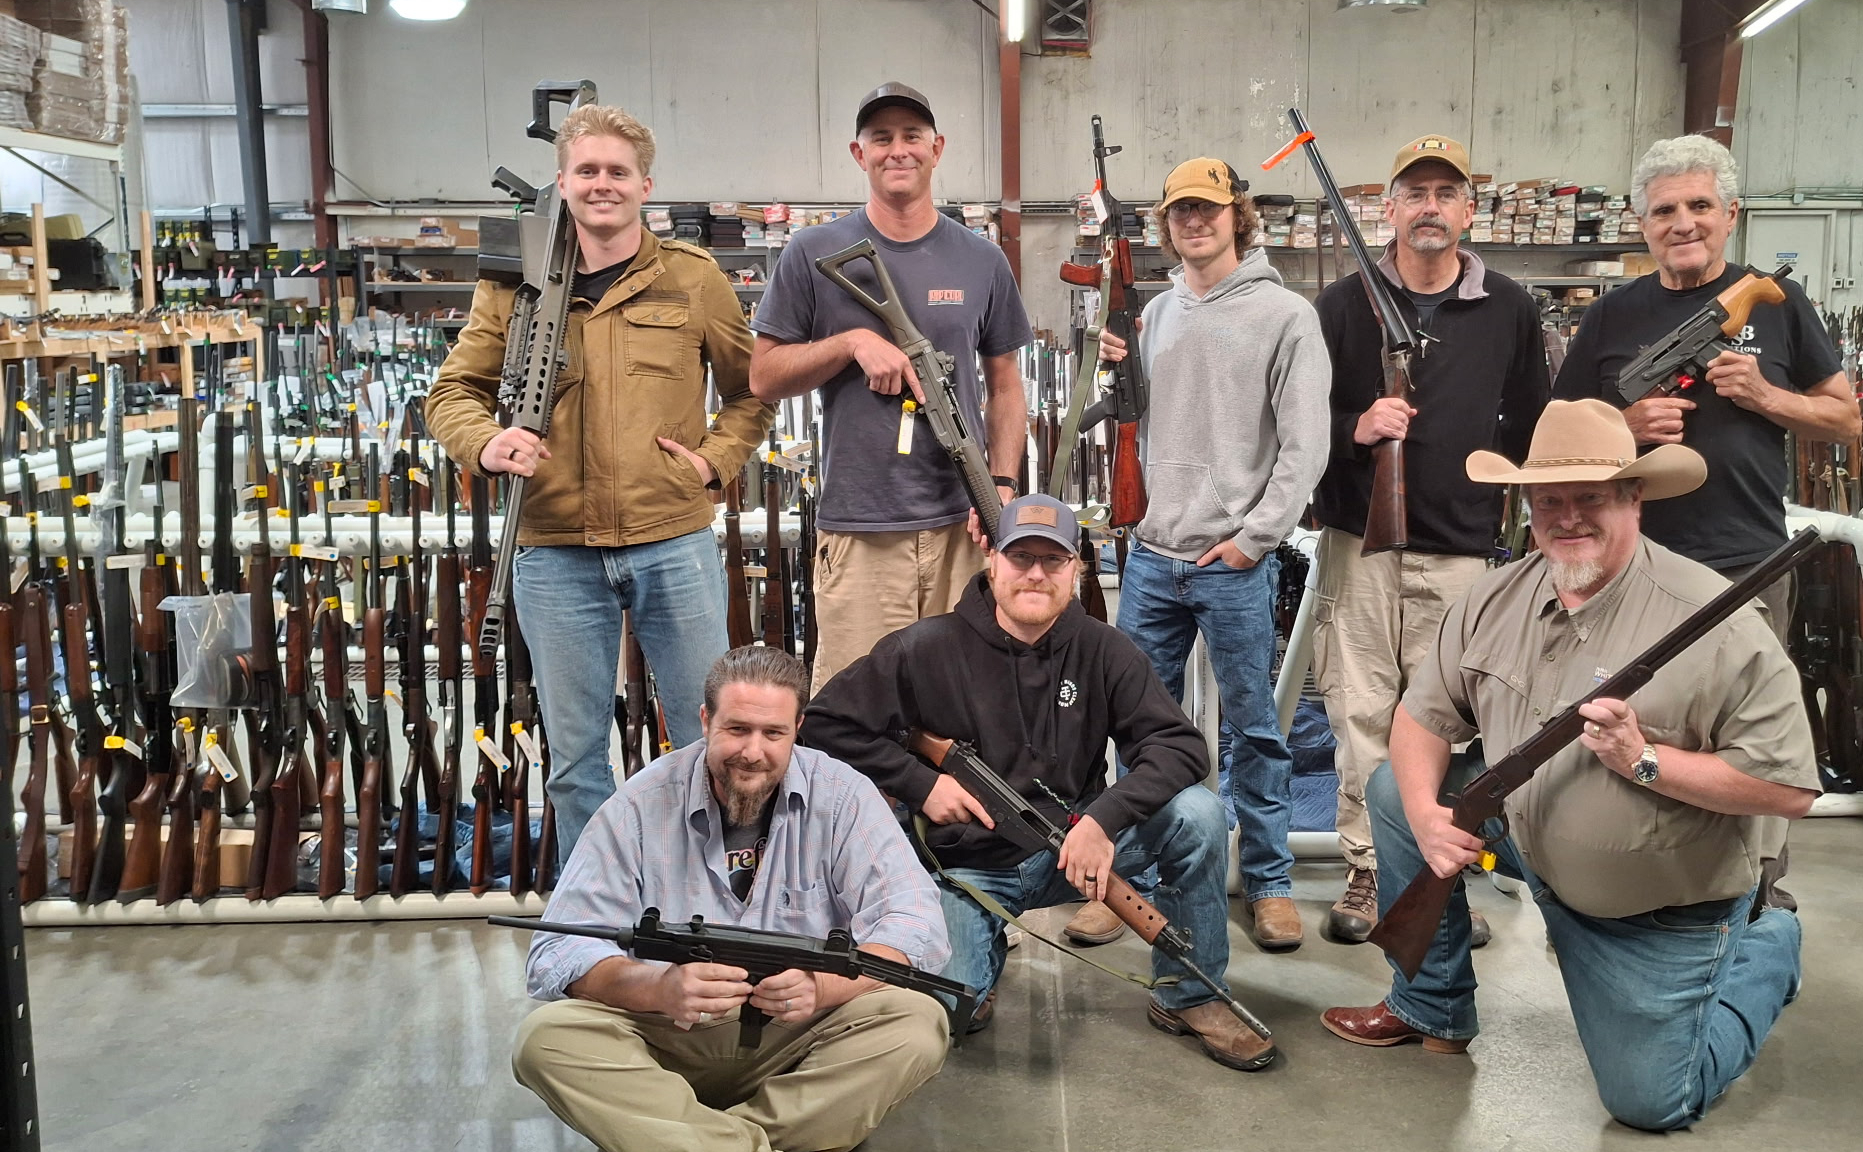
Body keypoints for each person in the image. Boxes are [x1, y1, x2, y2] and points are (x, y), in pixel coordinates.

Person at [1319, 400, 1818, 1132]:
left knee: (1652, 1103)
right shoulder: (1494, 596)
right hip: (1530, 848)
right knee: (1399, 791)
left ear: (1633, 497)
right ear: (1527, 506)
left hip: (1654, 910)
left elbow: (1788, 790)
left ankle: (1770, 943)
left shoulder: (1717, 620)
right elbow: (1420, 719)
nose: (1568, 517)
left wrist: (1645, 761)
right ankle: (1430, 1006)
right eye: (1549, 500)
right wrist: (1429, 820)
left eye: (1591, 497)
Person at [803, 495, 1276, 1071]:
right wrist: (919, 784)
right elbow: (825, 723)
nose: (1035, 574)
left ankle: (1192, 993)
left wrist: (1103, 820)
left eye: (1053, 561)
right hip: (969, 866)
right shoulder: (923, 648)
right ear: (991, 562)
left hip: (1071, 851)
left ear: (1076, 568)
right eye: (1020, 557)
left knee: (1198, 815)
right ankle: (982, 946)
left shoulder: (1105, 650)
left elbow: (1180, 747)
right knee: (949, 1010)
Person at [426, 103, 770, 863]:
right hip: (553, 549)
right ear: (562, 183)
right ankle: (600, 915)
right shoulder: (512, 285)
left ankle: (713, 888)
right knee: (577, 760)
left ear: (645, 184)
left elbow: (753, 390)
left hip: (671, 540)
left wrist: (716, 460)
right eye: (588, 171)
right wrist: (486, 444)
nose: (603, 184)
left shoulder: (691, 277)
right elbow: (450, 394)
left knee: (707, 735)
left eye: (618, 171)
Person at [1550, 133, 1856, 897]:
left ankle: (1757, 884)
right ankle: (1637, 876)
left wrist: (1766, 397)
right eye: (1663, 211)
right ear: (1641, 223)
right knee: (1633, 721)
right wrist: (1627, 427)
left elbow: (1845, 420)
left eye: (1698, 206)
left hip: (1745, 555)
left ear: (1730, 214)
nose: (1682, 223)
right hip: (1630, 561)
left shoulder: (1777, 305)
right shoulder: (1613, 313)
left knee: (1753, 731)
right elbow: (1553, 436)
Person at [511, 646, 952, 1152]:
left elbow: (915, 924)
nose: (753, 751)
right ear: (705, 720)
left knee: (917, 1024)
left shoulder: (844, 794)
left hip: (797, 1037)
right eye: (737, 729)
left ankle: (694, 1141)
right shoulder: (638, 803)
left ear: (798, 728)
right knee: (544, 1040)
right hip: (668, 1034)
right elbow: (559, 952)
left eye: (774, 733)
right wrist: (658, 988)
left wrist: (822, 987)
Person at [1070, 156, 1330, 953]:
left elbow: (1305, 446)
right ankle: (1131, 881)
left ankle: (1271, 880)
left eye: (1209, 208)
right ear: (1167, 223)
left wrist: (1254, 541)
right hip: (1152, 558)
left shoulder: (1286, 315)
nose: (1194, 221)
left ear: (1237, 216)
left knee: (1254, 728)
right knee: (1138, 731)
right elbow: (1133, 426)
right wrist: (1112, 370)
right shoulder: (1155, 316)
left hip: (1234, 561)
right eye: (1180, 210)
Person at [1309, 134, 1550, 944]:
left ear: (1470, 211)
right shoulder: (1341, 305)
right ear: (1390, 208)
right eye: (1415, 193)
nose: (1430, 208)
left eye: (1447, 193)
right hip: (1360, 546)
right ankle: (1369, 872)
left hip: (1463, 548)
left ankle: (1443, 875)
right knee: (1362, 714)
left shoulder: (1511, 308)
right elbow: (1303, 424)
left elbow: (1532, 422)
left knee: (1449, 723)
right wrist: (1357, 427)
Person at [748, 81, 1032, 690]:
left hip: (963, 520)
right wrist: (850, 344)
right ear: (859, 153)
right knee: (854, 710)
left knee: (965, 703)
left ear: (938, 148)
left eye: (911, 137)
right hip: (860, 526)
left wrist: (1002, 487)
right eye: (881, 138)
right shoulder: (812, 252)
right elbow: (764, 376)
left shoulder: (983, 260)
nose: (896, 150)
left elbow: (1006, 387)